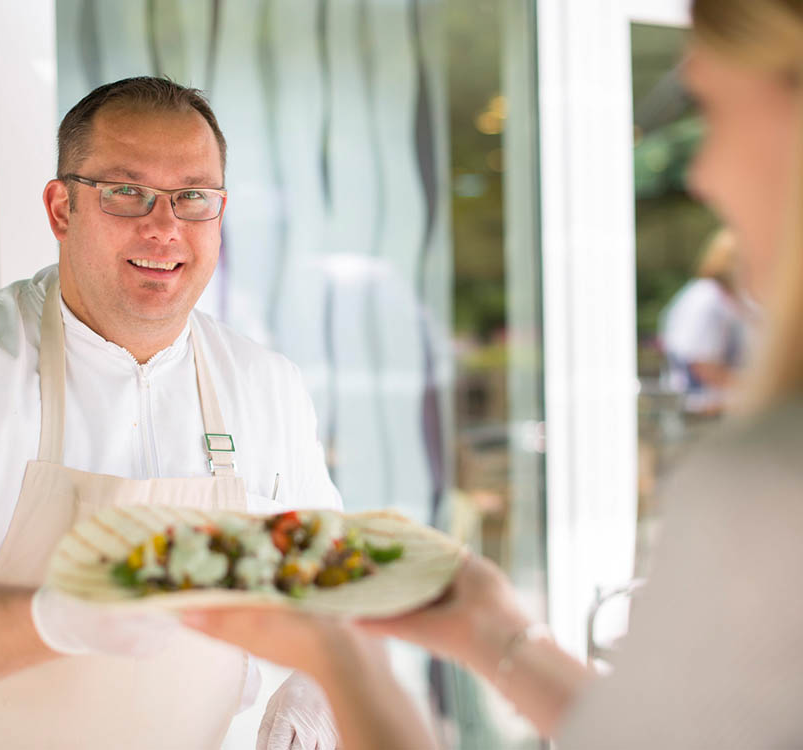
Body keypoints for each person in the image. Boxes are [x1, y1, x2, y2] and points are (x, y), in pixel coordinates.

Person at [182, 0, 803, 747]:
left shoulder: (770, 480)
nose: (700, 174)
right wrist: (493, 634)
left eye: (711, 110)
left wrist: (338, 657)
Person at [0, 77, 341, 749]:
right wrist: (63, 617)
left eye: (193, 197)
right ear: (61, 208)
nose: (163, 226)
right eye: (126, 192)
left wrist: (322, 685)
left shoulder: (265, 385)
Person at [659, 227, 754, 416]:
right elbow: (702, 365)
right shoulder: (706, 299)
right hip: (700, 407)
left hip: (724, 404)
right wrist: (757, 388)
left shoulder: (734, 298)